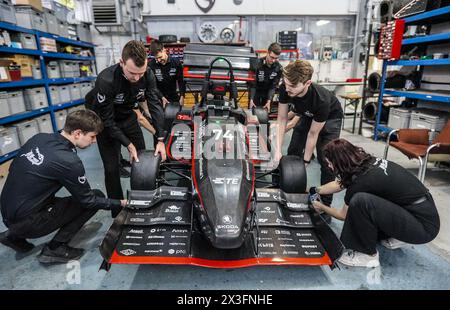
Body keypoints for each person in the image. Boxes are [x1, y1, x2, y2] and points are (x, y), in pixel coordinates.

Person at [0, 110, 127, 264]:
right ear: (77, 133)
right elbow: (88, 200)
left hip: (7, 212)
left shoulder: (39, 138)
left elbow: (15, 167)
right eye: (92, 137)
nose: (94, 141)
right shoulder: (69, 161)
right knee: (95, 197)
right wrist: (120, 203)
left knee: (39, 191)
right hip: (27, 221)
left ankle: (12, 235)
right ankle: (55, 248)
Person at [310, 138, 440, 268]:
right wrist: (316, 190)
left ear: (339, 162)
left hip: (424, 227)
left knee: (360, 201)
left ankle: (367, 255)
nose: (330, 167)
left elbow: (343, 215)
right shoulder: (365, 163)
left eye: (330, 163)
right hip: (420, 211)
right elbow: (341, 183)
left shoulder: (361, 182)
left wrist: (322, 207)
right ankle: (398, 235)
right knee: (372, 197)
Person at [85, 40, 167, 217]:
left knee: (143, 161)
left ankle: (144, 204)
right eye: (132, 73)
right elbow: (107, 120)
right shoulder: (106, 80)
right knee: (111, 169)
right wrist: (127, 144)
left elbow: (154, 104)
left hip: (127, 116)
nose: (137, 78)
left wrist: (160, 138)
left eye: (141, 73)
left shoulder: (148, 74)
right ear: (121, 63)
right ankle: (118, 212)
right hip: (105, 122)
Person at [274, 60, 343, 208]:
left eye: (292, 86)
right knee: (293, 150)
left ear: (307, 83)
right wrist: (278, 150)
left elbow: (313, 134)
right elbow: (282, 118)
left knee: (326, 159)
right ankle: (290, 189)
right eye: (286, 84)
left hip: (331, 117)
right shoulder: (285, 88)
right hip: (307, 113)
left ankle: (324, 204)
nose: (287, 89)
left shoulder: (321, 99)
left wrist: (305, 162)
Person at [149, 40, 186, 107]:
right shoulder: (151, 65)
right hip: (158, 98)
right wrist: (162, 97)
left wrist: (182, 96)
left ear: (164, 50)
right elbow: (153, 86)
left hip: (173, 97)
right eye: (156, 59)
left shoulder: (176, 62)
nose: (159, 60)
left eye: (160, 57)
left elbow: (181, 81)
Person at [249, 42, 283, 112]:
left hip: (268, 93)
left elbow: (273, 86)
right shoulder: (257, 64)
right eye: (272, 57)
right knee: (253, 113)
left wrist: (269, 100)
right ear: (268, 53)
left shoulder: (278, 68)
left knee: (266, 114)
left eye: (276, 58)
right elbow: (253, 83)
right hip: (256, 91)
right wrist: (251, 99)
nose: (273, 60)